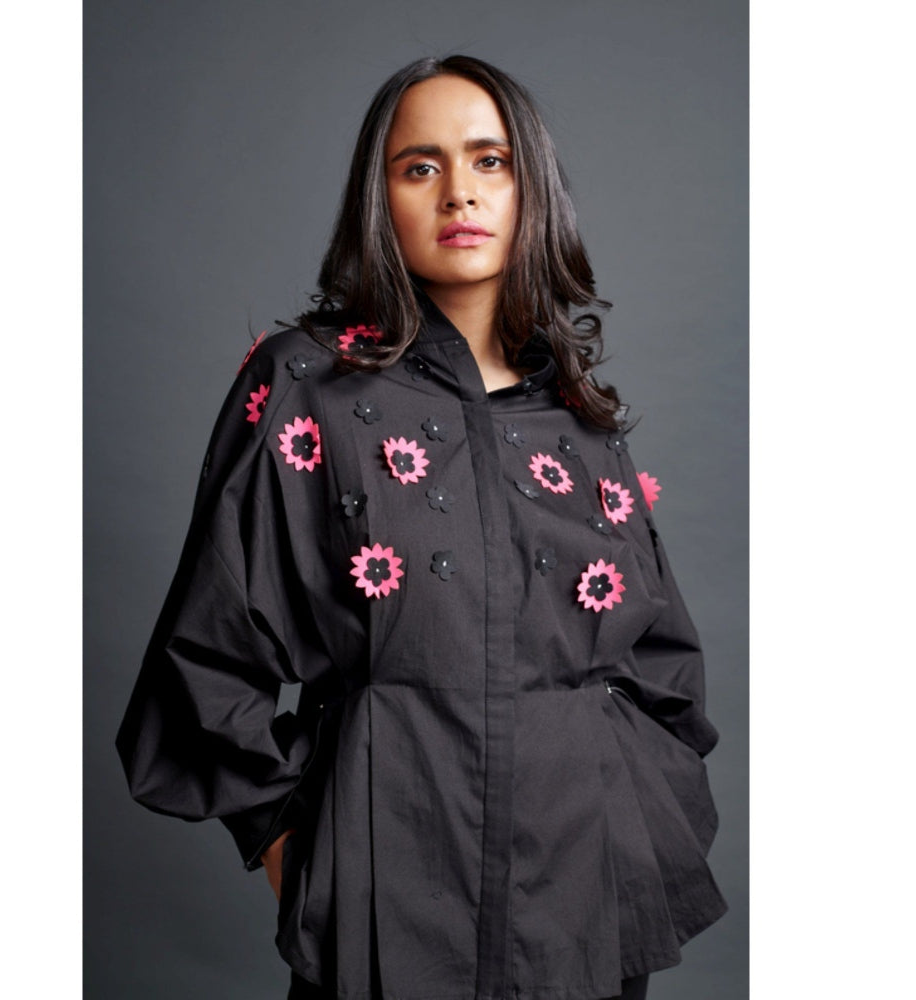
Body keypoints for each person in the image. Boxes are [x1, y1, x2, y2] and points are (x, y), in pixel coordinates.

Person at [115, 55, 727, 1000]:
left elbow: (663, 668)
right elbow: (207, 648)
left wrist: (643, 812)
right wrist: (285, 841)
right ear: (381, 197)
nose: (459, 193)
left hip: (586, 908)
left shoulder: (578, 417)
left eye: (490, 161)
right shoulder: (307, 384)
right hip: (385, 899)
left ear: (531, 189)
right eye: (420, 167)